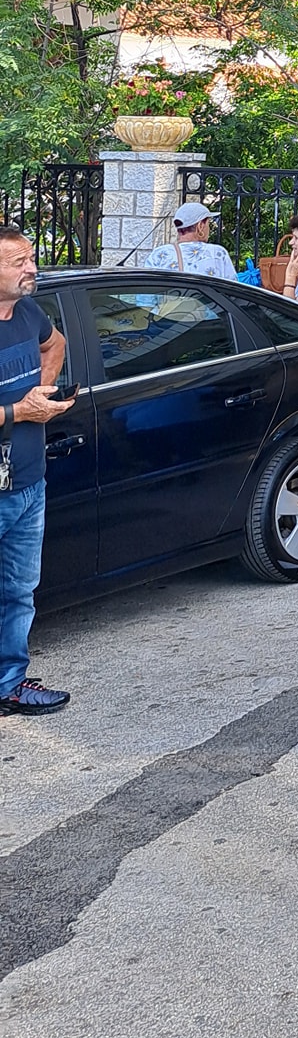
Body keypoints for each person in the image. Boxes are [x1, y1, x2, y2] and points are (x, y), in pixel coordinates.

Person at [0, 227, 77, 716]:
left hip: (29, 481)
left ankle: (9, 684)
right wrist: (18, 412)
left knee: (18, 592)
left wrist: (42, 395)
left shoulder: (28, 312)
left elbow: (57, 344)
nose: (32, 268)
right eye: (19, 262)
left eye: (31, 258)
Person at [143, 200, 238, 281]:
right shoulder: (217, 253)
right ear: (200, 225)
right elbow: (232, 290)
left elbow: (146, 292)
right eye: (208, 224)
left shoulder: (159, 254)